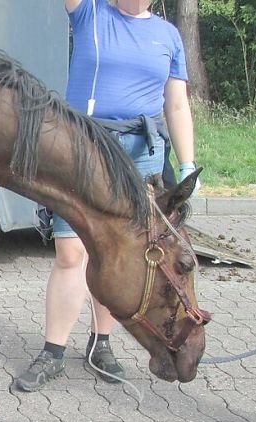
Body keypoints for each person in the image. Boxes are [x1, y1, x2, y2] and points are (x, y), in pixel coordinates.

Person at [13, 0, 198, 392]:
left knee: (121, 256)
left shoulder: (169, 35)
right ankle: (53, 351)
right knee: (70, 255)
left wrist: (186, 164)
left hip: (142, 158)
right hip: (87, 152)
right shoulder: (90, 13)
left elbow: (176, 103)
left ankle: (102, 344)